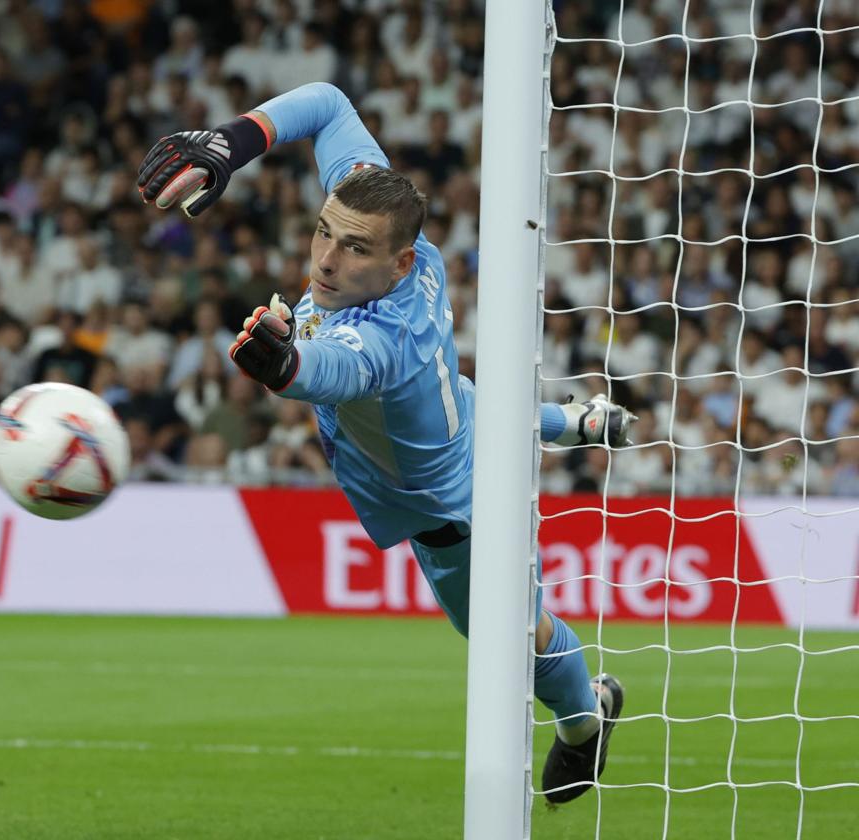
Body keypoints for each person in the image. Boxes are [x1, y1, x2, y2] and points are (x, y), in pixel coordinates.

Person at [137, 81, 639, 805]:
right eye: (322, 232)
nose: (327, 260)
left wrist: (282, 363)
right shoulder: (397, 231)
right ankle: (578, 421)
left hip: (455, 513)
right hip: (457, 414)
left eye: (354, 247)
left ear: (400, 263)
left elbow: (333, 370)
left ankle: (585, 717)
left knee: (513, 639)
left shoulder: (382, 341)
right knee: (469, 403)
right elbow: (329, 104)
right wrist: (229, 143)